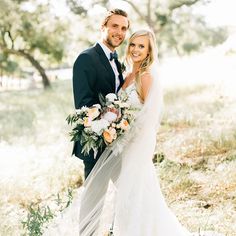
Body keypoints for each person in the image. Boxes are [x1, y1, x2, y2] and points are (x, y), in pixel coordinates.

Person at [72, 9, 129, 179]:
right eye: (115, 26)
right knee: (94, 202)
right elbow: (84, 104)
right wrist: (108, 126)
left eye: (124, 28)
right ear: (103, 27)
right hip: (96, 144)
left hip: (116, 143)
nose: (119, 32)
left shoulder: (116, 60)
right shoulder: (86, 58)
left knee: (127, 194)